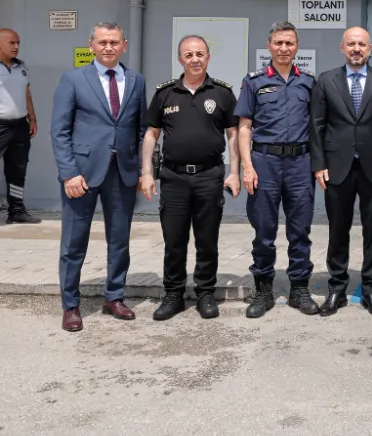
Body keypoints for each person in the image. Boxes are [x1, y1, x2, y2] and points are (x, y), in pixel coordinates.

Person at [51, 21, 147, 332]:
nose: (108, 47)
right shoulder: (73, 79)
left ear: (124, 46)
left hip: (122, 173)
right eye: (102, 42)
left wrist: (142, 169)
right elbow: (60, 131)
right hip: (81, 175)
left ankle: (114, 297)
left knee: (119, 241)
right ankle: (70, 305)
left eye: (114, 42)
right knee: (73, 242)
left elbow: (141, 129)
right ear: (91, 45)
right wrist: (69, 173)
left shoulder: (136, 81)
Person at [140, 35, 241, 321]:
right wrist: (146, 173)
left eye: (200, 54)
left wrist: (235, 172)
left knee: (207, 239)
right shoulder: (165, 93)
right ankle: (173, 294)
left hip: (210, 176)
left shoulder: (222, 93)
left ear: (208, 57)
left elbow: (234, 135)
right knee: (174, 240)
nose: (195, 59)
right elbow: (151, 134)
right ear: (180, 59)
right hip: (173, 177)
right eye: (189, 55)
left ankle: (205, 293)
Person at [309, 26, 372, 317]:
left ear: (369, 48)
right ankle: (337, 288)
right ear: (342, 47)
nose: (356, 49)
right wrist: (319, 164)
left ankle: (370, 288)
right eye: (351, 44)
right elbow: (316, 125)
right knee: (338, 229)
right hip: (337, 168)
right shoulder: (326, 80)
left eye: (362, 44)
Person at [236, 21, 320, 318]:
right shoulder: (254, 81)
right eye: (278, 43)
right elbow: (244, 128)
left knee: (300, 230)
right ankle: (263, 291)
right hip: (265, 163)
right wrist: (247, 167)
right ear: (269, 46)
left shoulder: (309, 82)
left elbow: (317, 127)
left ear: (297, 47)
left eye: (289, 43)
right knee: (263, 230)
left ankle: (299, 289)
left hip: (300, 163)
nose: (284, 48)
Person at [0, 28, 40, 223]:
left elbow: (26, 93)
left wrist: (32, 118)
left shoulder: (21, 66)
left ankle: (16, 210)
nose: (16, 46)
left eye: (18, 43)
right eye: (12, 43)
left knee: (17, 170)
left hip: (20, 126)